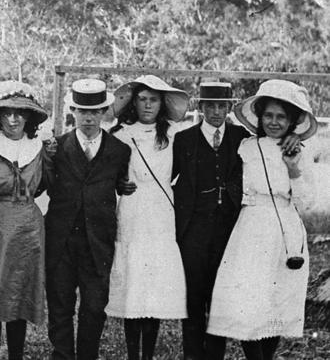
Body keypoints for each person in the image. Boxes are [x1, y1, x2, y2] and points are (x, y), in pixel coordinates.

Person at [170, 81, 300, 360]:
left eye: (221, 106)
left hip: (231, 231)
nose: (216, 112)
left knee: (223, 298)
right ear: (200, 107)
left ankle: (215, 355)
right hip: (193, 231)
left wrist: (295, 138)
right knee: (193, 299)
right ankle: (193, 356)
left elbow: (279, 139)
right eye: (210, 106)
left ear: (230, 107)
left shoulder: (241, 137)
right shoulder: (184, 140)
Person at [207, 80, 316, 360]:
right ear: (259, 117)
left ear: (292, 120)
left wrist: (293, 169)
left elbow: (306, 203)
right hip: (251, 229)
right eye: (268, 115)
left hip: (285, 231)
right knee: (247, 301)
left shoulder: (298, 152)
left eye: (281, 117)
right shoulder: (245, 147)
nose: (274, 122)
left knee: (275, 302)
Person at [44, 79, 131, 360]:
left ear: (105, 111)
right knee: (60, 305)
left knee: (94, 307)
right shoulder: (55, 148)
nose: (89, 118)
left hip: (98, 242)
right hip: (62, 241)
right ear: (72, 111)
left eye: (95, 111)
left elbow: (121, 184)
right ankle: (63, 355)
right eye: (82, 111)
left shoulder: (119, 150)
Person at [105, 75, 188, 360]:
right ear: (133, 102)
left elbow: (181, 171)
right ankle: (132, 354)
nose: (148, 105)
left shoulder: (175, 135)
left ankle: (148, 354)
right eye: (142, 99)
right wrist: (119, 183)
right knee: (133, 283)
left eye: (154, 99)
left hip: (162, 213)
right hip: (132, 210)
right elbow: (111, 173)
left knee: (154, 284)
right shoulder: (120, 134)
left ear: (162, 103)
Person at [0, 80, 48, 360]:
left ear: (29, 117)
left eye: (19, 113)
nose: (13, 119)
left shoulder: (40, 148)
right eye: (6, 113)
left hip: (29, 227)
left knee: (20, 294)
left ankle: (16, 355)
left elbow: (46, 185)